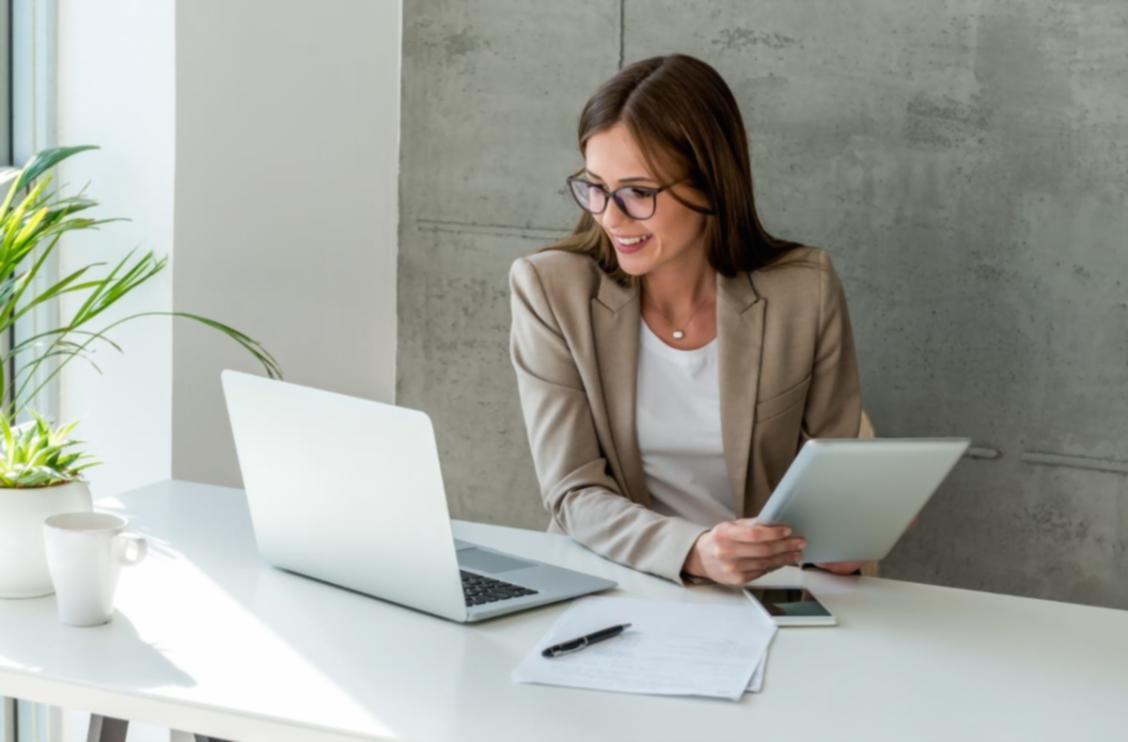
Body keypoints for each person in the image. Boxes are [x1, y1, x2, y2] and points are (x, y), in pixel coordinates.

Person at [508, 54, 870, 587]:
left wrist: (845, 536)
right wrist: (694, 551)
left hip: (765, 593)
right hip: (616, 580)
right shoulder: (550, 290)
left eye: (637, 192)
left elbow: (831, 482)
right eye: (595, 186)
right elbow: (572, 492)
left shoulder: (803, 290)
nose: (610, 216)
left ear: (710, 185)